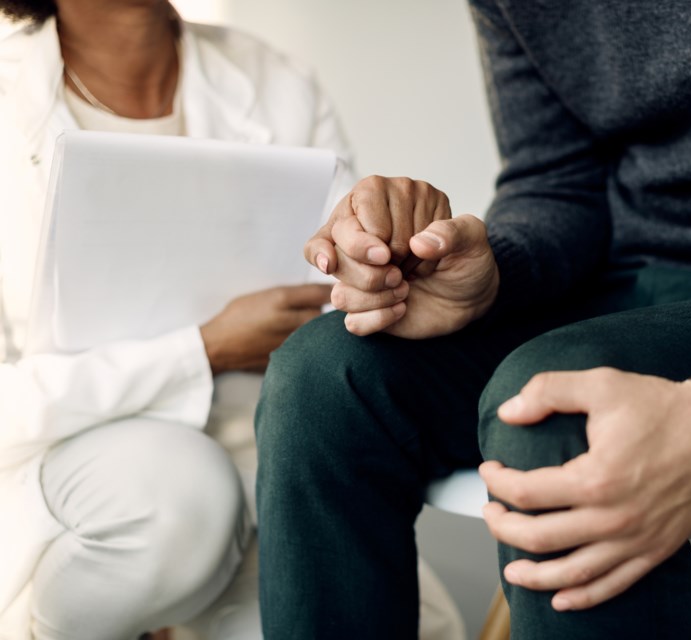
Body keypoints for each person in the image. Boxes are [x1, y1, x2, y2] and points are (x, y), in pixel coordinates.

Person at [254, 0, 691, 637]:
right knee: (322, 374)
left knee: (557, 412)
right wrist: (491, 273)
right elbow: (558, 182)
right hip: (623, 284)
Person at [0, 2, 465, 639]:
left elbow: (351, 294)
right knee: (176, 500)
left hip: (260, 460)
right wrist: (203, 350)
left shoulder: (273, 79)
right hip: (81, 482)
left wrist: (385, 253)